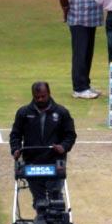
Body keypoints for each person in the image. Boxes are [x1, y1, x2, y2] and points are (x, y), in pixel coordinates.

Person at [9, 82, 77, 211]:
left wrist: (63, 147)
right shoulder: (23, 113)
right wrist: (16, 149)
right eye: (37, 97)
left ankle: (58, 221)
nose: (40, 99)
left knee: (55, 197)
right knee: (39, 200)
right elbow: (15, 135)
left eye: (43, 96)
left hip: (55, 161)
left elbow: (70, 135)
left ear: (49, 93)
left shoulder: (62, 112)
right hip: (32, 162)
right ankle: (41, 219)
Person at [59, 0, 102, 100]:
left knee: (87, 54)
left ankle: (86, 85)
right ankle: (78, 88)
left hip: (91, 20)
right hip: (79, 19)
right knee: (80, 54)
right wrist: (65, 9)